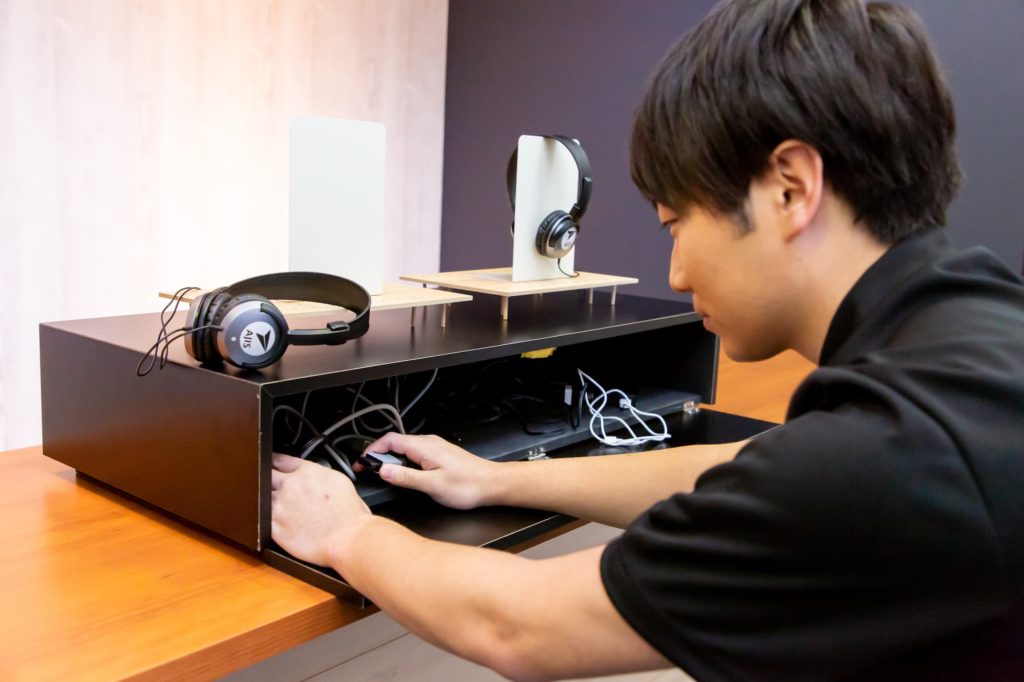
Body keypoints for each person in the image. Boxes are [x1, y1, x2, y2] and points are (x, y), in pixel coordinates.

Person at [271, 0, 1024, 679]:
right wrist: (497, 479)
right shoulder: (972, 334)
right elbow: (745, 471)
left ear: (790, 188)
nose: (676, 271)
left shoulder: (900, 452)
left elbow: (519, 625)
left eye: (675, 223)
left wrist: (347, 534)